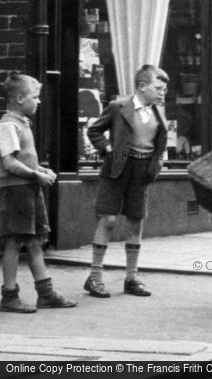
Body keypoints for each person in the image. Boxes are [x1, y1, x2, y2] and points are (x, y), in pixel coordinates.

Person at [84, 64, 168, 298]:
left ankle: (131, 277)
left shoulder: (158, 110)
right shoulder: (118, 107)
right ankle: (95, 277)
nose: (162, 93)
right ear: (142, 86)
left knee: (135, 221)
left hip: (142, 170)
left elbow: (159, 140)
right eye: (158, 88)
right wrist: (108, 148)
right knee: (108, 219)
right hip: (118, 167)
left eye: (164, 89)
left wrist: (158, 161)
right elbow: (94, 131)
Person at [0, 72, 77, 312]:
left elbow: (22, 159)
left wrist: (41, 169)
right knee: (13, 241)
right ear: (20, 98)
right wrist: (36, 175)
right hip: (15, 191)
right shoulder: (8, 125)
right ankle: (10, 295)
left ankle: (46, 293)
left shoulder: (22, 123)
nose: (39, 101)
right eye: (36, 96)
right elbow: (9, 163)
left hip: (28, 189)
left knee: (34, 241)